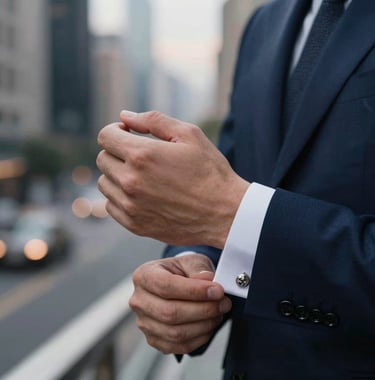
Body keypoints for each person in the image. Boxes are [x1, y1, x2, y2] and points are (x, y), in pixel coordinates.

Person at [96, 0, 375, 378]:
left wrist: (229, 214)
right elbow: (233, 179)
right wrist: (190, 268)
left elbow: (230, 205)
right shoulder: (264, 23)